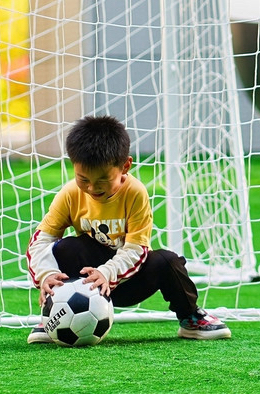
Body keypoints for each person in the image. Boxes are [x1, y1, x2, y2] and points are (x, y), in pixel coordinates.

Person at [25, 114, 230, 343]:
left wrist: (107, 273)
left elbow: (136, 249)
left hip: (128, 279)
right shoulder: (70, 193)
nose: (92, 188)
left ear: (125, 166)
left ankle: (190, 317)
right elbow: (40, 241)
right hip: (87, 281)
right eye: (83, 179)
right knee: (67, 247)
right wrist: (46, 275)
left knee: (168, 261)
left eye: (102, 180)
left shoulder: (135, 193)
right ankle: (56, 315)